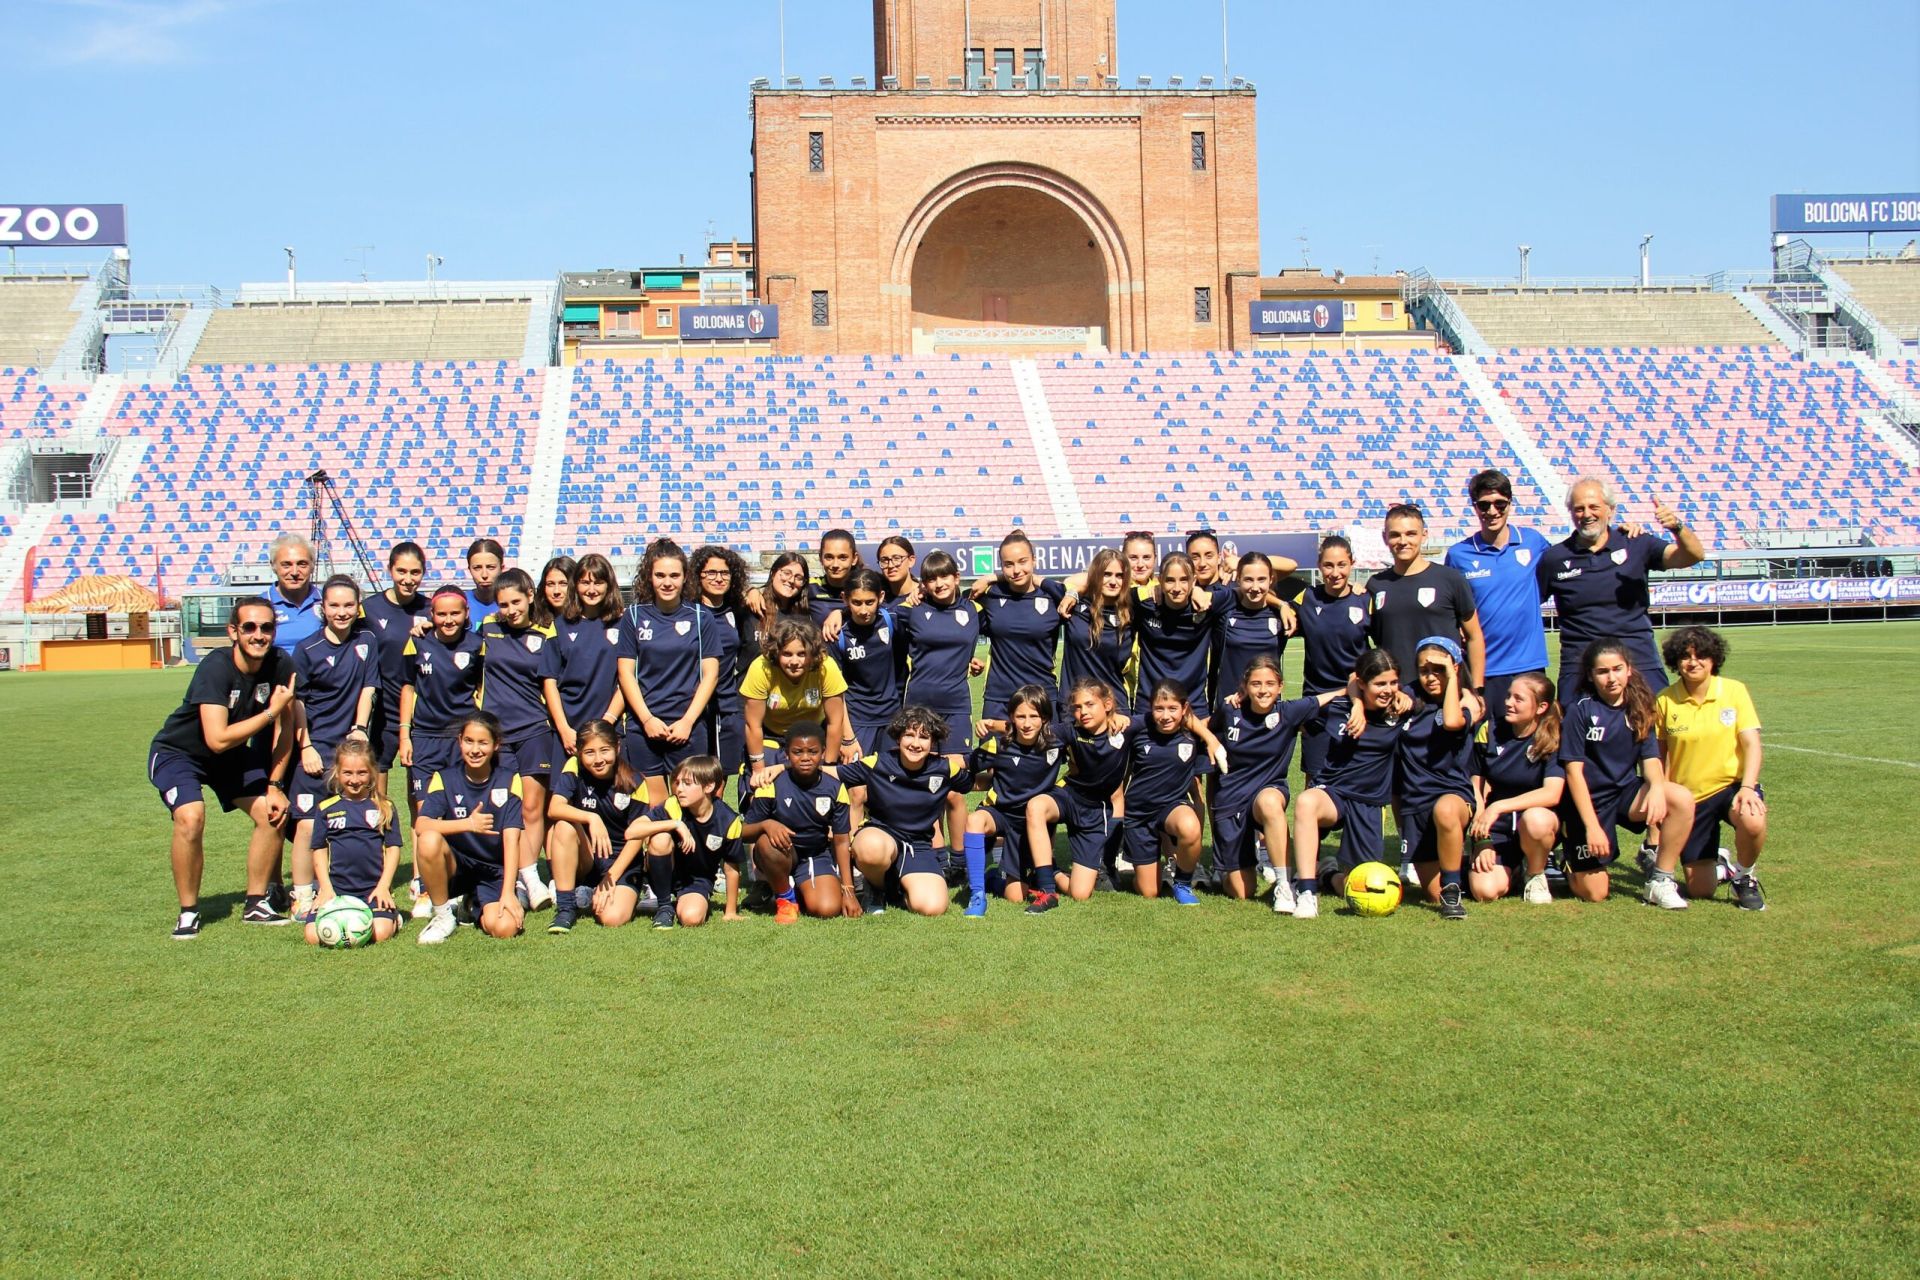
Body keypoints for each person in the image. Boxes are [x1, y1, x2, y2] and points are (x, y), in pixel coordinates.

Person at [149, 596, 297, 938]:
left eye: (266, 627)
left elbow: (285, 730)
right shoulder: (215, 667)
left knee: (273, 811)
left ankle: (257, 902)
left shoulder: (280, 663)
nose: (258, 635)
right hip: (180, 753)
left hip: (228, 758)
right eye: (249, 627)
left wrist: (275, 785)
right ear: (233, 631)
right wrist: (270, 712)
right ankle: (188, 912)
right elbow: (217, 738)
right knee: (191, 816)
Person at [1536, 476, 1705, 699]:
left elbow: (1693, 556)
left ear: (1611, 510)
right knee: (1577, 733)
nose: (1587, 514)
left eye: (1594, 507)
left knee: (1651, 731)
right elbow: (1527, 604)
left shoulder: (1637, 543)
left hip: (1639, 663)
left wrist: (1677, 527)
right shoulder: (1554, 558)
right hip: (1580, 668)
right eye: (1579, 508)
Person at [1558, 639, 1696, 909]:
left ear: (1629, 669)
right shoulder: (1580, 709)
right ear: (1590, 675)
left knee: (1679, 798)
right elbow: (1574, 773)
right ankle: (1568, 862)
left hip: (1625, 793)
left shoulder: (1640, 705)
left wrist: (1656, 787)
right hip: (1588, 803)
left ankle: (1660, 880)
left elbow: (1651, 757)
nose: (1611, 678)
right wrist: (1592, 827)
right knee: (1595, 893)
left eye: (1617, 669)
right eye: (1602, 671)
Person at [1210, 655, 1342, 906]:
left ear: (1280, 686)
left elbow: (1331, 697)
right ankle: (1242, 863)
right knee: (1241, 891)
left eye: (1270, 683)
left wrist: (1355, 699)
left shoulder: (1289, 712)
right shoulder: (1230, 709)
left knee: (1270, 801)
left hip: (1267, 791)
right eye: (1256, 684)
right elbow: (1204, 724)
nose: (1263, 690)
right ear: (1245, 686)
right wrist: (1210, 739)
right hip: (1232, 798)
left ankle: (1284, 884)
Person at [1287, 649, 1408, 919]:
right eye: (1380, 684)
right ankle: (1306, 891)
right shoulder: (1340, 706)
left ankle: (1328, 876)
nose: (1388, 690)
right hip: (1334, 793)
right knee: (1307, 801)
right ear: (1362, 684)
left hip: (1369, 802)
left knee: (1360, 884)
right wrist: (1356, 703)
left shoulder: (1402, 708)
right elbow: (1290, 714)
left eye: (1393, 683)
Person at [1655, 626, 1768, 910]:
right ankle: (1721, 866)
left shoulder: (1734, 691)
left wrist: (1747, 788)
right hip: (1691, 799)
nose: (1693, 662)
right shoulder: (1665, 700)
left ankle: (1744, 877)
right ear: (1675, 661)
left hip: (1732, 787)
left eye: (1700, 655)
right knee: (1700, 890)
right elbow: (1658, 757)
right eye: (1685, 656)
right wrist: (1662, 798)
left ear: (1713, 658)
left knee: (1752, 819)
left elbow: (1752, 744)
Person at [287, 575, 379, 923]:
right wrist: (305, 746)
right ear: (322, 608)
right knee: (308, 826)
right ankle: (303, 894)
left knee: (354, 818)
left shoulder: (366, 641)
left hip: (350, 749)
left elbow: (368, 688)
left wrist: (359, 728)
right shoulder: (307, 649)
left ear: (358, 608)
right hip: (316, 748)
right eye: (334, 605)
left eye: (348, 605)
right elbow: (296, 703)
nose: (341, 612)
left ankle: (353, 884)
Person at [830, 706, 976, 917]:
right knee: (871, 848)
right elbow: (833, 773)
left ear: (932, 743)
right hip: (881, 835)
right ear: (898, 738)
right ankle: (876, 888)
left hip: (918, 846)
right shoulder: (879, 763)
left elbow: (975, 782)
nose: (915, 743)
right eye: (909, 735)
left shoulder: (944, 768)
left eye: (924, 737)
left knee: (933, 907)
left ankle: (896, 888)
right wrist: (780, 768)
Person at [1445, 469, 1553, 737]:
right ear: (1475, 507)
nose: (1492, 511)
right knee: (1482, 743)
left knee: (1536, 742)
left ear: (1509, 504)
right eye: (1484, 505)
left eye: (1499, 504)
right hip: (1484, 670)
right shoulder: (1459, 554)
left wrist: (1620, 533)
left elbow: (1567, 561)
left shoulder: (1533, 542)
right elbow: (1451, 608)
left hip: (1528, 664)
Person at [617, 538, 723, 805]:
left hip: (687, 727)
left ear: (685, 577)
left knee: (690, 803)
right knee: (654, 805)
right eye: (660, 575)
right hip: (645, 728)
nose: (667, 582)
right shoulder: (633, 616)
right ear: (649, 577)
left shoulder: (701, 617)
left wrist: (687, 721)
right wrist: (647, 719)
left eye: (674, 575)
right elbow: (626, 673)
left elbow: (710, 674)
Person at [479, 568, 558, 911]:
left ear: (529, 595)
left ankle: (532, 879)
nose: (510, 609)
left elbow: (551, 684)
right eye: (503, 604)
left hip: (534, 730)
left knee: (530, 807)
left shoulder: (545, 634)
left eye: (515, 601)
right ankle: (524, 877)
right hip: (497, 735)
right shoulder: (487, 630)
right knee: (503, 806)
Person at [413, 711, 526, 943]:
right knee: (428, 839)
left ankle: (473, 905)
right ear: (459, 742)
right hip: (456, 866)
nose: (475, 750)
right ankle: (444, 916)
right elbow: (421, 825)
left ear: (496, 745)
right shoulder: (444, 778)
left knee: (505, 928)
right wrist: (468, 824)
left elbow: (512, 840)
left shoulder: (510, 780)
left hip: (492, 871)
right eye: (468, 741)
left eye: (483, 742)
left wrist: (508, 893)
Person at [1016, 677, 1132, 902]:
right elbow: (1032, 729)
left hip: (1094, 812)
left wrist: (1210, 740)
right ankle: (1046, 888)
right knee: (1037, 806)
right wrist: (992, 724)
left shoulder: (1127, 728)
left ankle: (1053, 869)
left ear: (1107, 705)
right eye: (1077, 707)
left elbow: (1163, 718)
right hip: (1068, 796)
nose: (1083, 712)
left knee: (1079, 894)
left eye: (1090, 705)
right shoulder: (1070, 731)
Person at [1394, 636, 1485, 921]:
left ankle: (1454, 890)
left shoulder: (1467, 701)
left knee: (1445, 810)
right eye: (1424, 670)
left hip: (1452, 797)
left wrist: (1452, 678)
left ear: (1454, 668)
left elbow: (1451, 722)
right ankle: (1473, 865)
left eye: (1438, 670)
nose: (1431, 677)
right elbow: (1360, 680)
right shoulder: (1409, 694)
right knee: (1430, 893)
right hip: (1415, 804)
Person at [964, 684, 1070, 916]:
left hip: (1032, 820)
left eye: (1034, 716)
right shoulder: (999, 745)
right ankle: (977, 894)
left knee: (1015, 896)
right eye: (1020, 716)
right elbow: (966, 769)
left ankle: (1020, 879)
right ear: (1011, 718)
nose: (1027, 723)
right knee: (974, 820)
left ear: (1044, 718)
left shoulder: (1056, 741)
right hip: (1001, 815)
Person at [1116, 678, 1224, 903]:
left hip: (1171, 807)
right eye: (1159, 709)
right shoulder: (1138, 727)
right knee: (1150, 892)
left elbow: (1227, 715)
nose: (1166, 716)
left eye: (1173, 708)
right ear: (1150, 708)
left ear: (1184, 709)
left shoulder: (1191, 732)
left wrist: (1211, 736)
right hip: (1139, 815)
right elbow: (1116, 724)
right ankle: (1142, 862)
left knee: (1190, 826)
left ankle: (1183, 884)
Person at [741, 722, 858, 923]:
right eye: (797, 752)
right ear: (787, 754)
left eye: (812, 752)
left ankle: (800, 888)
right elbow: (742, 832)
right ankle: (785, 898)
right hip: (780, 851)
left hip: (815, 854)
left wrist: (848, 890)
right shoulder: (771, 785)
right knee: (767, 843)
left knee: (827, 909)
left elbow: (840, 841)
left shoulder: (835, 789)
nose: (805, 758)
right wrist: (766, 825)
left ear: (823, 753)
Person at [1469, 672, 1565, 904]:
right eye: (1509, 696)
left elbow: (1552, 793)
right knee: (1485, 891)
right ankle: (1514, 870)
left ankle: (1535, 873)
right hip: (1497, 827)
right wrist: (1482, 841)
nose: (1508, 703)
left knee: (1536, 819)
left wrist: (1499, 806)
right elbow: (1475, 787)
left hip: (1536, 825)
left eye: (1518, 699)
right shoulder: (1489, 730)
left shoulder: (1553, 736)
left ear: (1541, 707)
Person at [545, 720, 649, 932]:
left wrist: (609, 879)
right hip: (588, 859)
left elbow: (637, 838)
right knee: (564, 825)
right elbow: (554, 808)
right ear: (579, 753)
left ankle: (600, 892)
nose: (598, 759)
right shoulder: (574, 767)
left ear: (617, 747)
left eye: (605, 750)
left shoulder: (635, 782)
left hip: (621, 864)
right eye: (589, 752)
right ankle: (566, 908)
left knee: (612, 918)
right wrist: (592, 819)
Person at [1368, 503, 1485, 690]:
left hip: (1444, 691)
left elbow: (1474, 636)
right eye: (1395, 534)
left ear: (1424, 535)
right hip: (1395, 693)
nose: (1403, 540)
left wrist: (1478, 688)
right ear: (1385, 538)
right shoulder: (1375, 585)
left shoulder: (1450, 579)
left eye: (1411, 533)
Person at [304, 739, 403, 946]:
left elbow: (393, 849)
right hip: (337, 890)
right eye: (348, 773)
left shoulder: (384, 806)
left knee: (381, 933)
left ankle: (394, 919)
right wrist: (325, 888)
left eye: (362, 773)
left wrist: (384, 887)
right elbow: (319, 849)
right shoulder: (326, 808)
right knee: (313, 936)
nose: (355, 779)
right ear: (337, 773)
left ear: (372, 773)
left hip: (372, 890)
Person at [1290, 535, 1372, 783]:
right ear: (1319, 566)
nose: (1335, 572)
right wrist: (1281, 606)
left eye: (1341, 565)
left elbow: (1380, 656)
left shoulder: (1365, 599)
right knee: (1315, 780)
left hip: (1356, 702)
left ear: (1352, 564)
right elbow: (1278, 604)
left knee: (1360, 780)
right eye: (1328, 565)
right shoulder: (1307, 598)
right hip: (1318, 705)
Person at [539, 553, 626, 771]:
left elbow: (628, 679)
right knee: (565, 795)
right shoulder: (560, 626)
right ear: (575, 585)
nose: (591, 589)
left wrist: (607, 721)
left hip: (609, 724)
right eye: (585, 582)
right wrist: (563, 729)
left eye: (598, 582)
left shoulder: (623, 624)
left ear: (609, 585)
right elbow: (549, 681)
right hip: (569, 729)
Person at [398, 587, 484, 804]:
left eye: (455, 613)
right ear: (432, 615)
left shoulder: (477, 644)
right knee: (425, 808)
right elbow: (408, 687)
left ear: (466, 612)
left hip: (462, 736)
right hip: (425, 736)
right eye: (441, 614)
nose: (448, 620)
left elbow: (482, 687)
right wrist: (405, 736)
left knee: (462, 806)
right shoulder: (418, 641)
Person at [637, 756, 744, 930]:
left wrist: (730, 911)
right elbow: (633, 830)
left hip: (697, 881)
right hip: (665, 872)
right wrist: (676, 824)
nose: (679, 789)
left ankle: (673, 903)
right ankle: (663, 905)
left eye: (687, 783)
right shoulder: (673, 805)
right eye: (677, 782)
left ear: (708, 786)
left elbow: (732, 868)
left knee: (692, 918)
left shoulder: (729, 821)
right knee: (660, 838)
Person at [742, 616, 852, 783]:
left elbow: (835, 723)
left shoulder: (826, 666)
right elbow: (753, 725)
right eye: (787, 654)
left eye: (802, 654)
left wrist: (828, 767)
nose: (794, 661)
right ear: (776, 653)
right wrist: (758, 770)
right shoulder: (761, 667)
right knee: (761, 788)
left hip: (813, 734)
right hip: (772, 735)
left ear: (813, 654)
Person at [973, 531, 1068, 723]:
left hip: (1042, 695)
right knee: (992, 753)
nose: (1016, 570)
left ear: (1034, 560)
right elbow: (952, 608)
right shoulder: (990, 595)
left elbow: (1081, 587)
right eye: (1008, 564)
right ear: (1002, 567)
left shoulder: (1053, 597)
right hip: (999, 698)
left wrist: (994, 576)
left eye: (1022, 561)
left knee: (1046, 752)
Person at [360, 541, 431, 794]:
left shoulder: (431, 609)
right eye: (401, 571)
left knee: (421, 795)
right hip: (382, 713)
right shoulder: (368, 610)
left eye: (415, 572)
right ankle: (381, 835)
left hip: (420, 714)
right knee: (376, 794)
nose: (408, 579)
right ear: (390, 570)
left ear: (423, 572)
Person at [690, 545, 753, 779]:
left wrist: (755, 590)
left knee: (726, 774)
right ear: (698, 576)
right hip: (695, 706)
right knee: (696, 773)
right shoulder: (689, 611)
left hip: (728, 704)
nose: (718, 578)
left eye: (724, 573)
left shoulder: (735, 610)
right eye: (710, 573)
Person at [1130, 552, 1215, 722]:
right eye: (1169, 580)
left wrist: (1281, 605)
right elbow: (1097, 582)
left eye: (1184, 580)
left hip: (1193, 708)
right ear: (1159, 579)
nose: (1177, 588)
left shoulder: (1207, 604)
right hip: (1149, 706)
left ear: (1194, 579)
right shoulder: (1144, 603)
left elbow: (1243, 592)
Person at [832, 568, 905, 755]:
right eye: (856, 603)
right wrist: (847, 736)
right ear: (844, 599)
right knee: (857, 782)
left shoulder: (891, 621)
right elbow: (834, 692)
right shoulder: (837, 634)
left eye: (869, 602)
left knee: (890, 780)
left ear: (881, 597)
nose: (863, 610)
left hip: (892, 717)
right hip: (858, 721)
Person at [1058, 548, 1135, 701]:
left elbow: (1170, 587)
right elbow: (1031, 578)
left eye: (1120, 576)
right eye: (1106, 574)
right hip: (1073, 705)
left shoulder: (1135, 608)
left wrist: (1196, 591)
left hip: (1113, 706)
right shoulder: (1074, 603)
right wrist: (1074, 592)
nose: (1113, 582)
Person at [264, 532, 323, 653]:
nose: (295, 572)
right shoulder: (260, 605)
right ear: (273, 566)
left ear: (312, 566)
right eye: (286, 565)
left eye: (302, 564)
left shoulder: (329, 602)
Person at [807, 527, 864, 625]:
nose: (835, 565)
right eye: (829, 557)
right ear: (820, 558)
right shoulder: (810, 587)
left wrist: (842, 613)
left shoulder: (867, 586)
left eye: (843, 558)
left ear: (854, 559)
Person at [463, 537, 505, 629]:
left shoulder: (513, 605)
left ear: (502, 568)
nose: (484, 575)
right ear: (469, 569)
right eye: (477, 568)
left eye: (491, 567)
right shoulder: (460, 602)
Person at [874, 535, 921, 605]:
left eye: (896, 558)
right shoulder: (877, 599)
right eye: (884, 560)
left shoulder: (925, 595)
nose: (890, 565)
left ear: (911, 560)